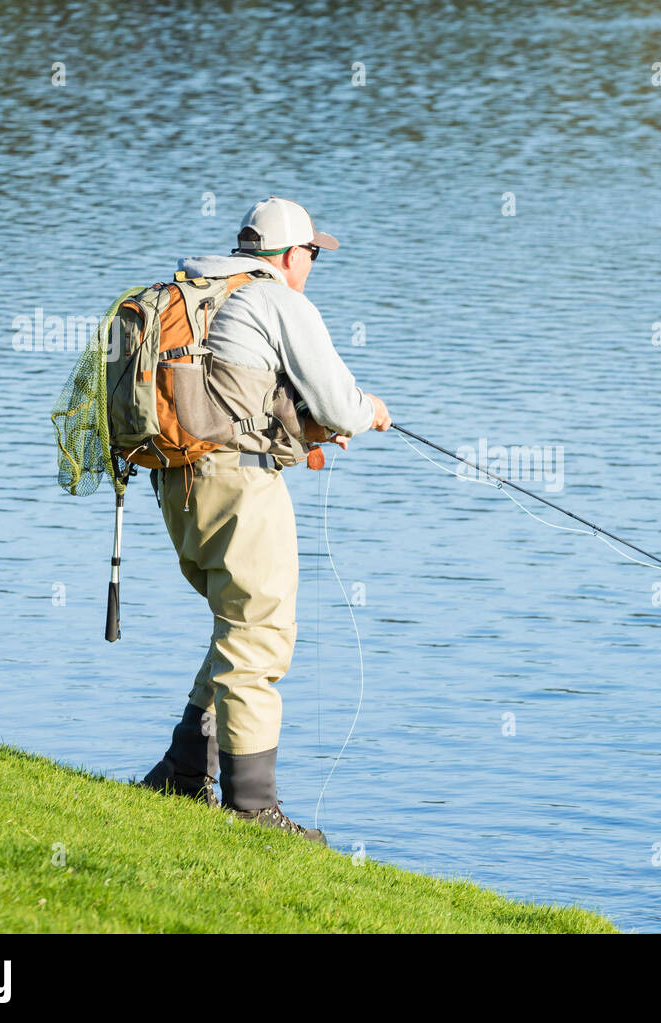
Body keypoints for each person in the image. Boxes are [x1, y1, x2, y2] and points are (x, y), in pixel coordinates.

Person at [140, 197, 390, 842]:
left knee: (237, 625)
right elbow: (339, 401)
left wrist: (305, 427)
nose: (313, 264)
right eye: (312, 253)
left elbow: (233, 394)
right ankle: (252, 809)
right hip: (239, 485)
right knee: (260, 634)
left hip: (177, 481)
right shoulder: (279, 299)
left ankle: (180, 773)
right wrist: (369, 412)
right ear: (289, 254)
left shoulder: (202, 289)